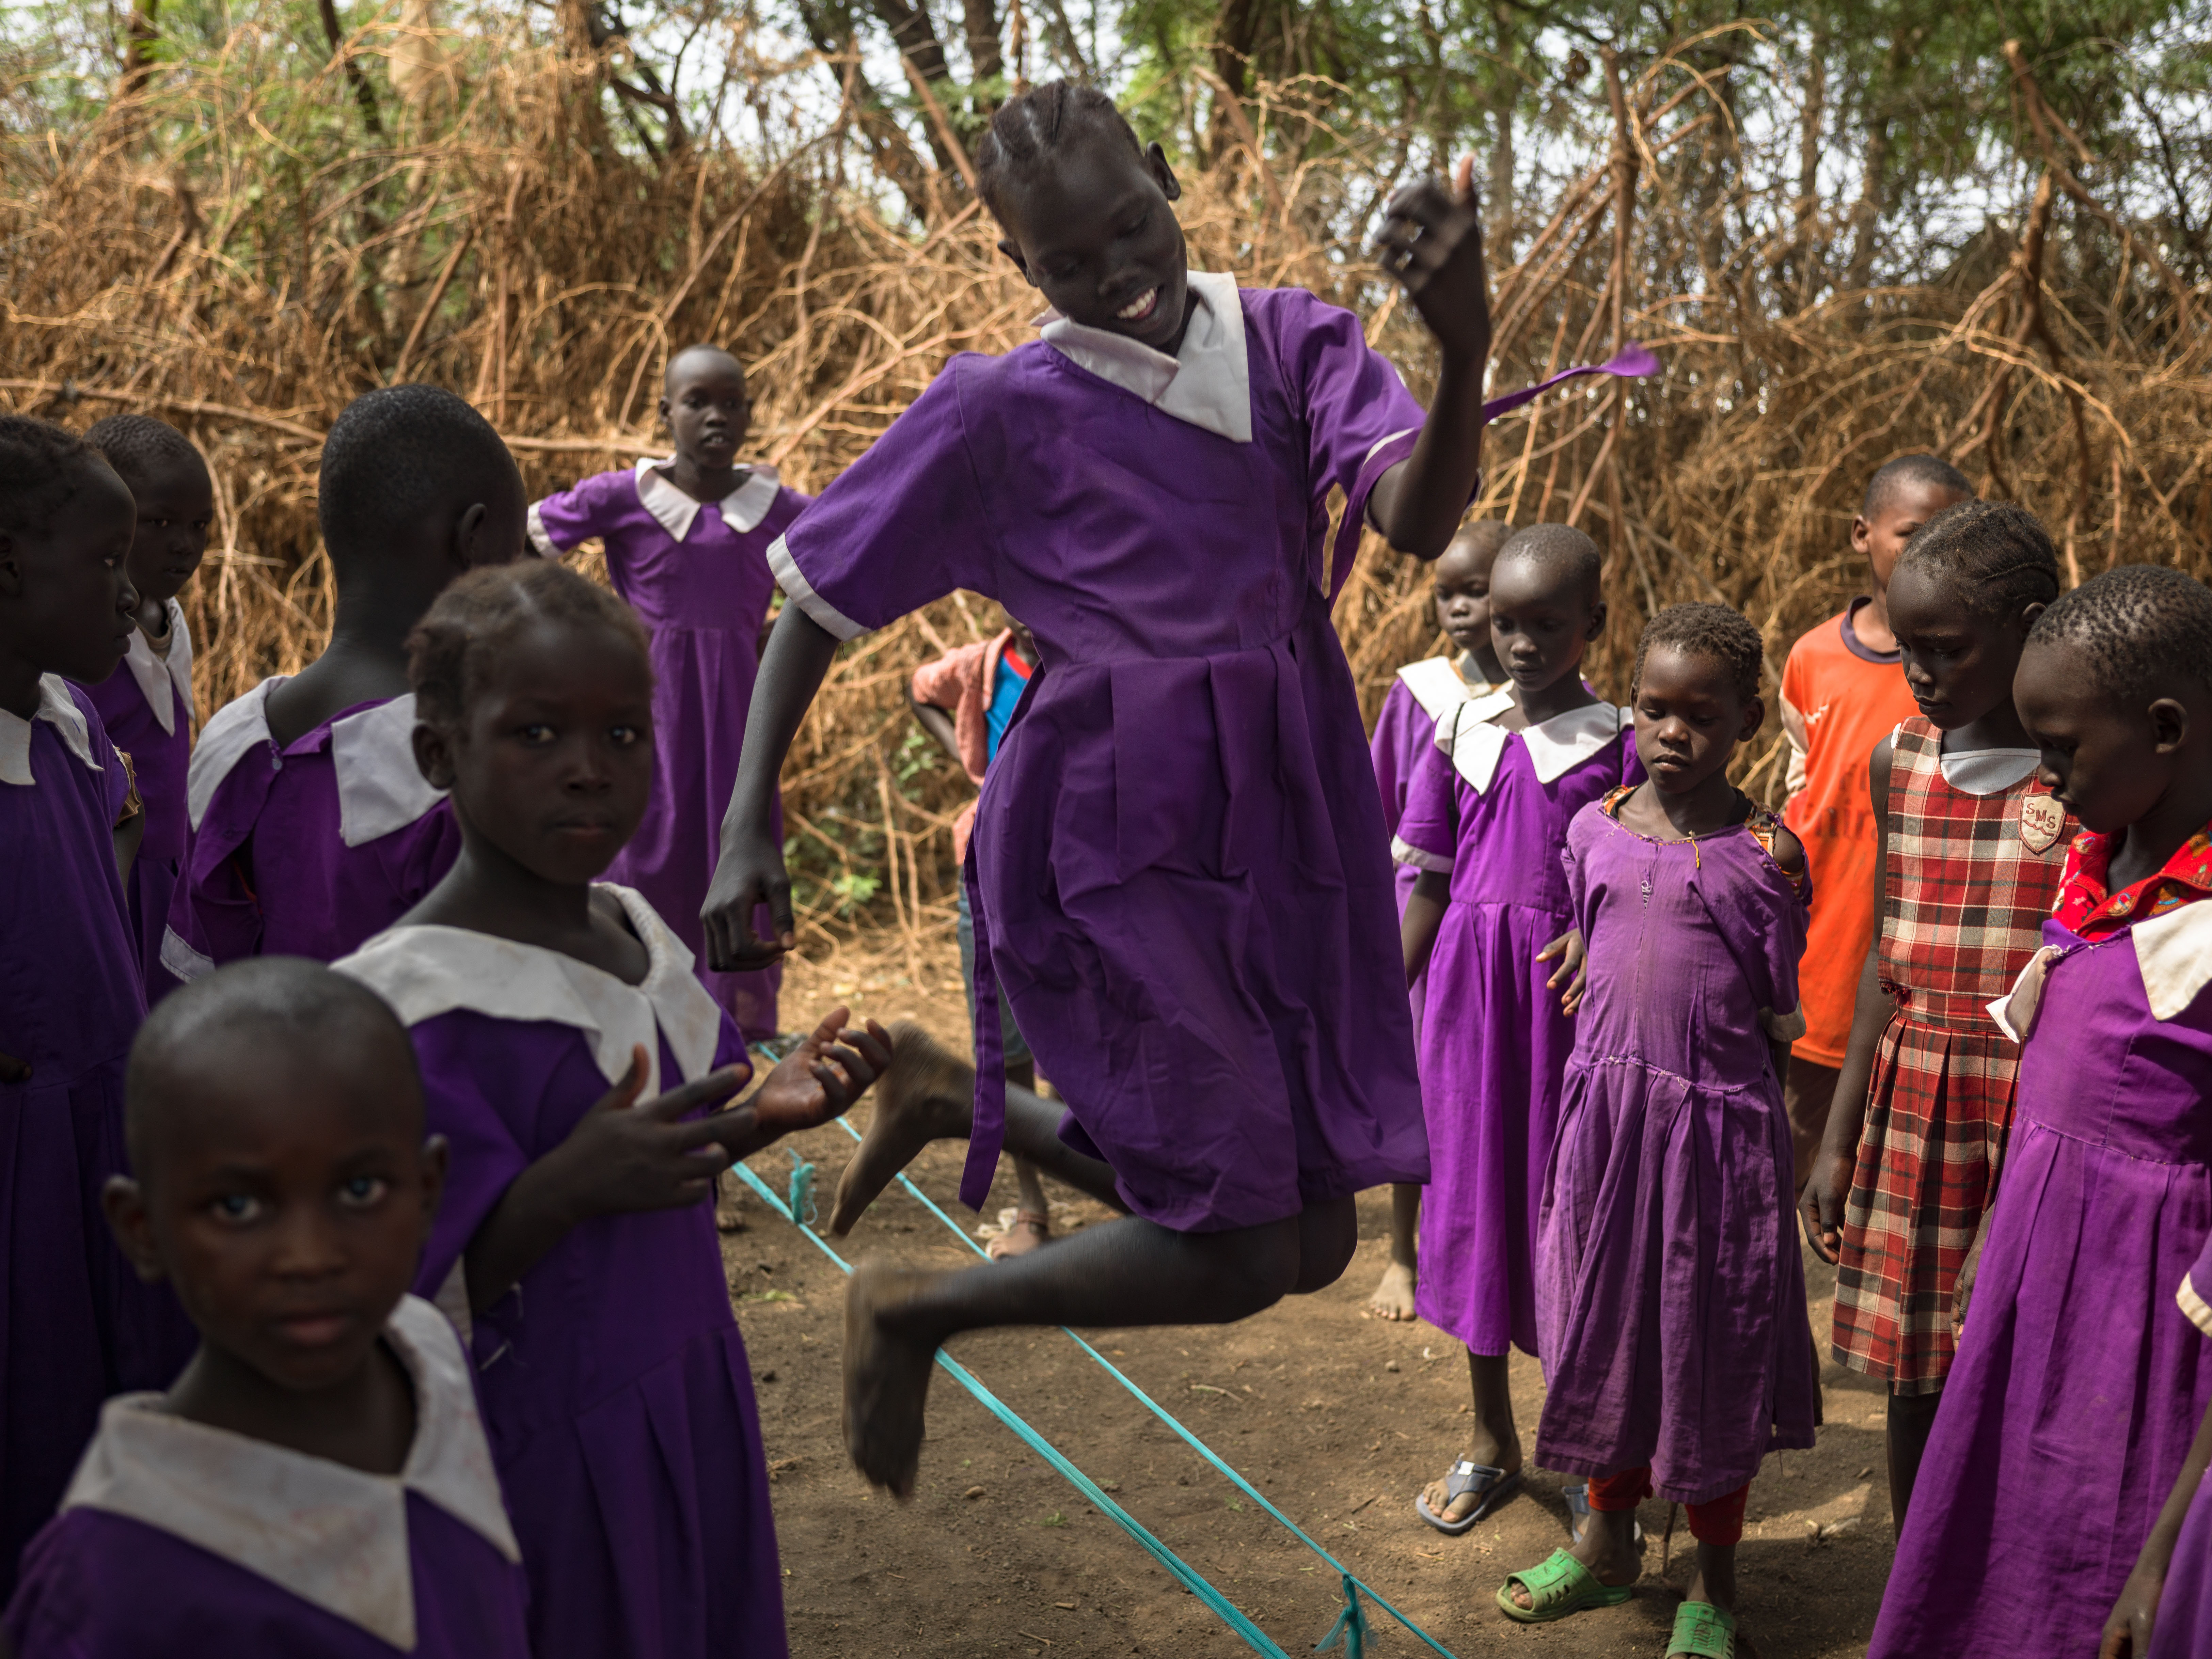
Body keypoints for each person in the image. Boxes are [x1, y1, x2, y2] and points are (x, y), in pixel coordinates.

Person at [700, 79, 1493, 1498]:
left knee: (1310, 1239)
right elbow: (815, 602)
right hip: (1111, 828)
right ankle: (919, 1307)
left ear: (1168, 180)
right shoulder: (993, 411)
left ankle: (950, 1095)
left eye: (1132, 226)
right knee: (1249, 1245)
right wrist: (745, 817)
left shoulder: (1289, 339)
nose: (1114, 274)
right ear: (1019, 267)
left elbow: (1416, 520)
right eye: (1067, 262)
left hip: (1287, 805)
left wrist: (1463, 342)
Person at [332, 560, 890, 1659]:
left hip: (685, 1383)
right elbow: (388, 1305)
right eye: (536, 736)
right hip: (544, 1437)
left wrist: (758, 1118)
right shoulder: (408, 1009)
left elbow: (659, 1150)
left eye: (623, 736)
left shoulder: (638, 931)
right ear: (440, 755)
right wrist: (561, 1191)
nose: (587, 771)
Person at [1870, 565, 2212, 1659]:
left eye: (2062, 750)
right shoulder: (2095, 864)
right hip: (2035, 1298)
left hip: (2154, 1355)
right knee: (1999, 1574)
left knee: (2097, 1588)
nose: (2046, 779)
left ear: (2165, 729)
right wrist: (2001, 1237)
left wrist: (2173, 1548)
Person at [3, 959, 533, 1657]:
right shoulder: (114, 1575)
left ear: (429, 1193)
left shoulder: (430, 1356)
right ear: (142, 1230)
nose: (308, 1256)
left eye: (361, 1190)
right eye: (238, 1205)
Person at [1501, 603, 1813, 1659]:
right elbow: (1595, 933)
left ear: (1748, 723)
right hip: (1607, 1131)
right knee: (1605, 1330)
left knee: (1707, 1347)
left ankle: (1715, 1588)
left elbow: (1777, 1010)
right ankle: (1606, 1541)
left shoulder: (1765, 859)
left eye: (1701, 716)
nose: (1673, 733)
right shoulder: (1591, 828)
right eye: (1653, 710)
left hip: (1712, 1145)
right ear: (1629, 709)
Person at [1799, 501, 2070, 1529]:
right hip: (1916, 1097)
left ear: (2032, 628)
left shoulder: (2082, 776)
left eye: (1945, 650)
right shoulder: (1897, 761)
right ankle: (1917, 1585)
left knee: (2021, 1356)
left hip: (2030, 1101)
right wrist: (1839, 1140)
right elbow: (1883, 954)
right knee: (1915, 1370)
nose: (1918, 672)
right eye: (1907, 649)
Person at [1395, 525, 1636, 1534]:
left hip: (1570, 1012)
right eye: (1507, 622)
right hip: (1467, 1005)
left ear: (1594, 625)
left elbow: (1639, 878)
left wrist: (1599, 942)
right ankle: (1493, 1436)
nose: (1526, 643)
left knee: (1568, 1219)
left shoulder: (1625, 739)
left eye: (1549, 624)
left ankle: (1588, 1459)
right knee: (1477, 1211)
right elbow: (1430, 881)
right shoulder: (1458, 729)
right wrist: (1381, 1006)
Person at [0, 416, 197, 1595]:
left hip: (102, 1152)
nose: (129, 594)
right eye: (107, 560)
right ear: (10, 562)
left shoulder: (73, 730)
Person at [162, 385, 524, 980]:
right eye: (515, 555)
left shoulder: (231, 748)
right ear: (475, 540)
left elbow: (189, 980)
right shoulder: (471, 772)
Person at [527, 345, 806, 1042]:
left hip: (743, 721)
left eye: (732, 402)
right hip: (646, 721)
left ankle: (729, 1031)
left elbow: (850, 565)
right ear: (664, 413)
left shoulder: (776, 507)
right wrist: (588, 636)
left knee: (734, 847)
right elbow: (523, 545)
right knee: (643, 851)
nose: (717, 417)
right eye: (697, 402)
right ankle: (637, 1011)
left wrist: (767, 641)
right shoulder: (620, 499)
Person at [1777, 454, 1972, 1186]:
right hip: (1821, 954)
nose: (1933, 556)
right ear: (1862, 536)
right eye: (1914, 534)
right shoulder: (1810, 659)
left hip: (1924, 957)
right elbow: (1805, 796)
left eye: (1954, 537)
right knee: (1795, 1150)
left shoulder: (1974, 671)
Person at [1363, 516, 1509, 1322]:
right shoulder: (1418, 693)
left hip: (1505, 924)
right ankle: (1399, 1251)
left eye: (1476, 591)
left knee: (1489, 1084)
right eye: (1445, 594)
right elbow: (1380, 811)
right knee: (1416, 1081)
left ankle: (1494, 1244)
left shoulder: (1557, 709)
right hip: (1421, 907)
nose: (1458, 609)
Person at [909, 619, 1058, 1258]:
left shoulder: (1088, 660)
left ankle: (1133, 1187)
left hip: (1074, 871)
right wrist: (974, 765)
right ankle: (1031, 1205)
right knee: (1003, 1039)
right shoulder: (983, 665)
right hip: (989, 867)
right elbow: (918, 689)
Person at [77, 414, 214, 1000]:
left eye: (199, 525)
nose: (186, 543)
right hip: (106, 880)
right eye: (160, 523)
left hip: (171, 874)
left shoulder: (168, 621)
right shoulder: (74, 647)